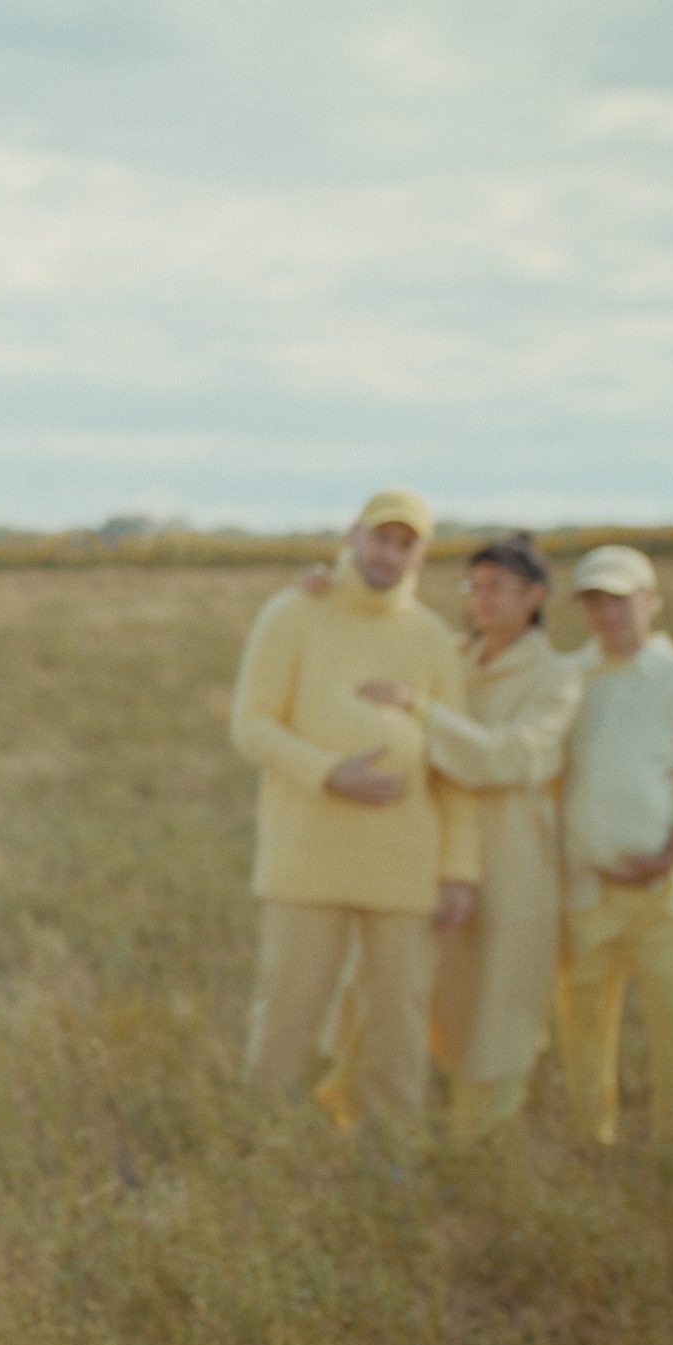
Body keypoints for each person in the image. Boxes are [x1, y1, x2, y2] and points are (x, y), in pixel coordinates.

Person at [228, 488, 479, 1149]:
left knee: (399, 1018)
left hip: (405, 862)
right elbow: (252, 726)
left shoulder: (431, 637)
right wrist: (330, 773)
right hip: (305, 856)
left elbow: (455, 760)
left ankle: (393, 1151)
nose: (388, 555)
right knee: (288, 1010)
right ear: (353, 535)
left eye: (405, 545)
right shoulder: (293, 613)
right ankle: (266, 1145)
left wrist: (459, 869)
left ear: (421, 556)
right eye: (380, 539)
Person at [333, 534, 582, 1145]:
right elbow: (381, 632)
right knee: (390, 980)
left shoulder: (556, 677)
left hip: (513, 850)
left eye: (498, 587)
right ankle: (357, 1114)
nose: (482, 600)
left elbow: (509, 757)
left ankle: (480, 1140)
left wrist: (421, 710)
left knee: (501, 995)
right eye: (475, 586)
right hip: (430, 840)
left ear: (535, 597)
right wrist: (332, 585)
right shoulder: (451, 654)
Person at [554, 544, 673, 1159]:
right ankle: (589, 1137)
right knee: (583, 1019)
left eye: (619, 599)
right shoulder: (569, 677)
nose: (608, 614)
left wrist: (666, 857)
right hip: (585, 885)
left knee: (671, 1019)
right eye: (594, 602)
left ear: (650, 600)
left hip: (664, 887)